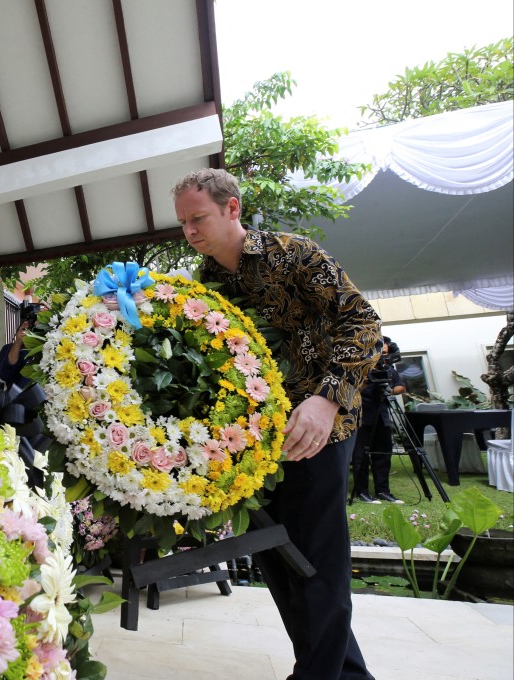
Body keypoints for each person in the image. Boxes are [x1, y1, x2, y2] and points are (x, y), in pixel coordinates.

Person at [172, 168, 381, 680]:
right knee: (281, 560)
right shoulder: (206, 283)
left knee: (317, 557)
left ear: (232, 209)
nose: (190, 231)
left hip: (319, 427)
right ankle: (339, 672)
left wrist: (326, 400)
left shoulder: (295, 253)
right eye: (183, 223)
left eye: (198, 218)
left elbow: (364, 323)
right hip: (257, 441)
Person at [352, 340, 406, 504]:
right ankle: (362, 491)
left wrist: (389, 389)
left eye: (385, 353)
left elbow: (401, 387)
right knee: (361, 455)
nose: (383, 355)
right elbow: (353, 388)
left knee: (383, 453)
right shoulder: (361, 366)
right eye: (380, 352)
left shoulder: (389, 369)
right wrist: (367, 383)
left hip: (383, 415)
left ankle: (383, 491)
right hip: (363, 415)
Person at [0, 302, 36, 389]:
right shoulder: (8, 348)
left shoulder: (47, 348)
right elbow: (4, 375)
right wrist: (18, 342)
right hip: (17, 399)